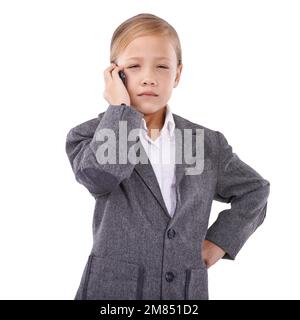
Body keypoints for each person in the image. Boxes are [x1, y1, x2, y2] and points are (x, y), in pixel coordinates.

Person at [65, 13, 270, 300]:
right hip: (112, 291)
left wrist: (220, 241)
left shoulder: (203, 142)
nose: (149, 77)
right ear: (115, 74)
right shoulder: (89, 135)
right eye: (134, 66)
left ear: (177, 74)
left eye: (162, 66)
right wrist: (121, 110)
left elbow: (254, 189)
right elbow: (102, 176)